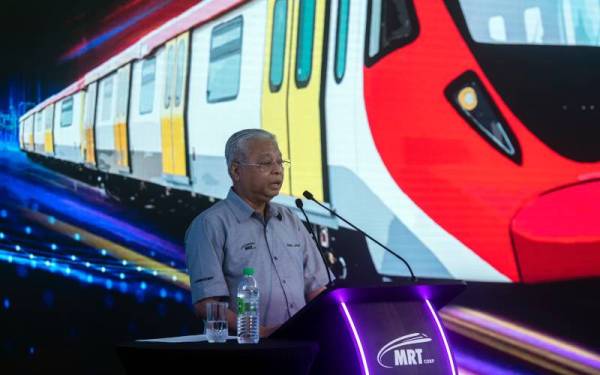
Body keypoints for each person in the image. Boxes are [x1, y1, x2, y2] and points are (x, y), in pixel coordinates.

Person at [184, 128, 332, 338]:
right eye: (265, 163)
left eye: (280, 162)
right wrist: (261, 334)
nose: (277, 170)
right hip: (248, 351)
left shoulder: (290, 219)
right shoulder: (210, 225)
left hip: (302, 344)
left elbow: (317, 290)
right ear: (236, 171)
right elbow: (207, 305)